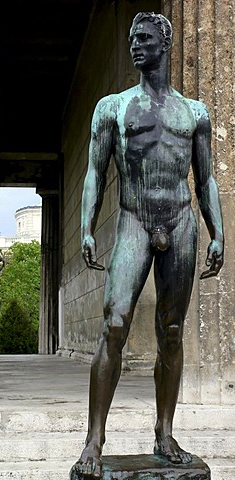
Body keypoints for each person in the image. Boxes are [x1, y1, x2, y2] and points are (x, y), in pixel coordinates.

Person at [75, 11, 224, 477]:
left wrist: (219, 230)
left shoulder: (194, 113)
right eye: (131, 38)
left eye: (144, 38)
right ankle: (94, 441)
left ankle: (164, 432)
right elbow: (96, 171)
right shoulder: (113, 107)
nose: (135, 45)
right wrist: (85, 225)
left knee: (172, 332)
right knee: (115, 324)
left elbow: (207, 179)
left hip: (180, 221)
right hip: (135, 220)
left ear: (165, 43)